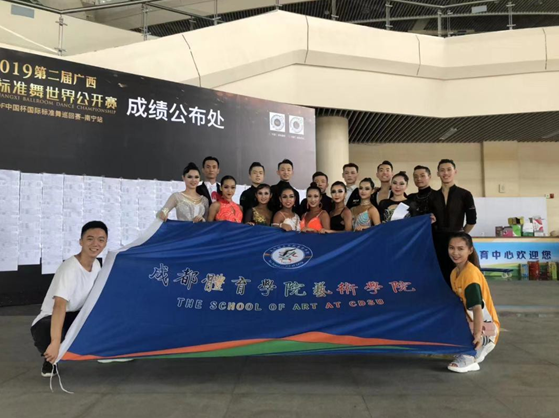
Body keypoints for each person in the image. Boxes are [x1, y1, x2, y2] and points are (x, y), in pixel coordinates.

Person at [31, 221, 108, 377]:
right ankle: (50, 359)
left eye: (101, 240)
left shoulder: (96, 265)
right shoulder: (70, 268)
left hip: (75, 315)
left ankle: (106, 351)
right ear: (81, 242)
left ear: (105, 243)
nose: (95, 244)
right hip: (51, 319)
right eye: (90, 239)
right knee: (49, 332)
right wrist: (55, 342)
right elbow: (59, 306)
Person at [447, 232, 499, 373]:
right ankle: (468, 350)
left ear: (470, 250)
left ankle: (469, 356)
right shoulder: (454, 273)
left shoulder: (470, 275)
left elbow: (477, 309)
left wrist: (477, 334)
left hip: (486, 329)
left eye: (460, 249)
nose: (455, 253)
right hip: (471, 323)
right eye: (451, 248)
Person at [430, 159, 478, 285]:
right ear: (438, 173)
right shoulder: (432, 196)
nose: (445, 173)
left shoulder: (465, 194)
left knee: (460, 276)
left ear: (455, 172)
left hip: (457, 242)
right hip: (437, 242)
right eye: (442, 170)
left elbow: (472, 220)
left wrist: (461, 235)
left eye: (449, 170)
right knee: (440, 276)